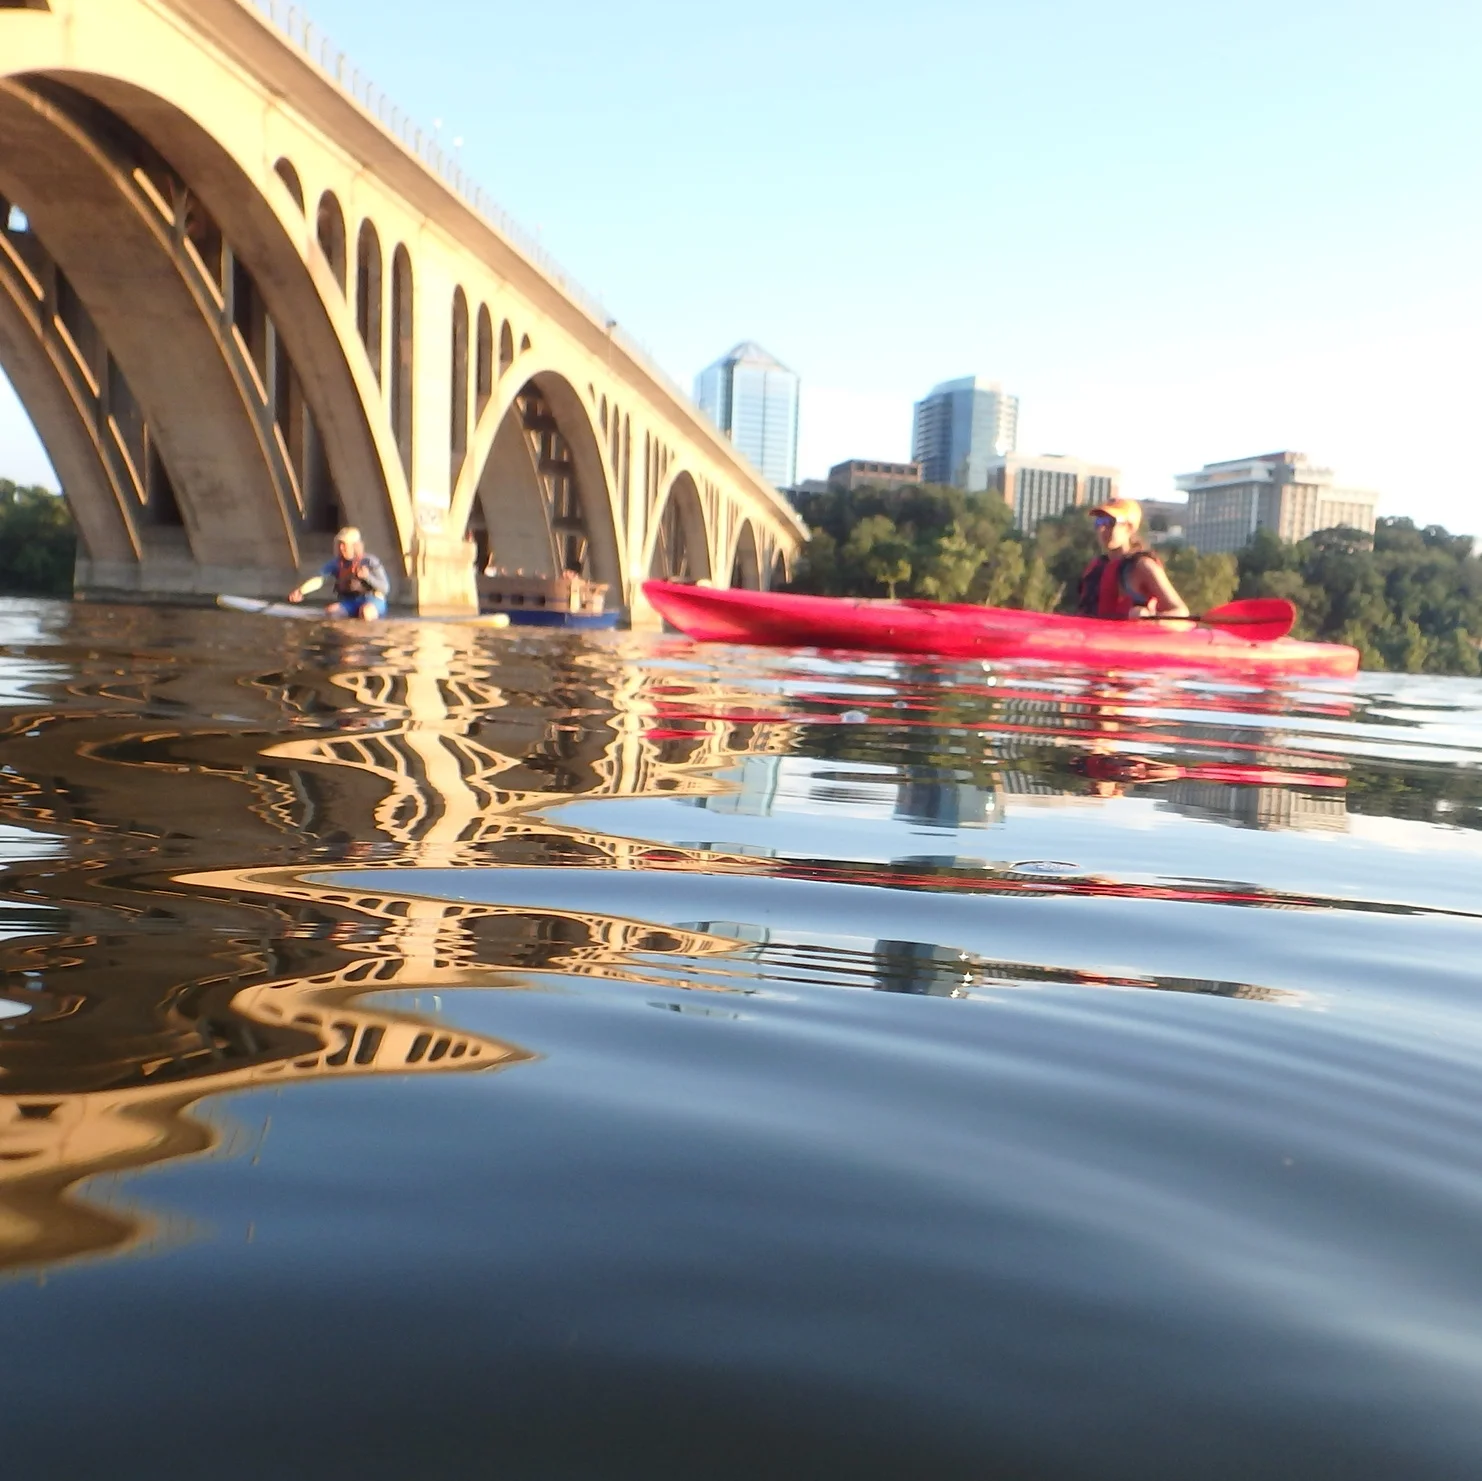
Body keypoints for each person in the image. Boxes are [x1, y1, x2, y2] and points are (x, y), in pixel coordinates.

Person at [1076, 498, 1189, 620]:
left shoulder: (1143, 566)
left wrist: (1150, 618)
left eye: (1110, 522)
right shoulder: (1095, 566)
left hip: (1129, 637)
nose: (1102, 529)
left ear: (1129, 527)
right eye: (1099, 521)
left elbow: (1181, 611)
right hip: (1097, 637)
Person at [288, 527, 391, 621]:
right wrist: (301, 591)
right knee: (331, 612)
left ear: (355, 546)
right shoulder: (336, 563)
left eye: (344, 544)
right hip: (351, 602)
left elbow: (385, 588)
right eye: (340, 544)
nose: (341, 548)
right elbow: (319, 580)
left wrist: (367, 577)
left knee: (365, 612)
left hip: (372, 600)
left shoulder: (370, 561)